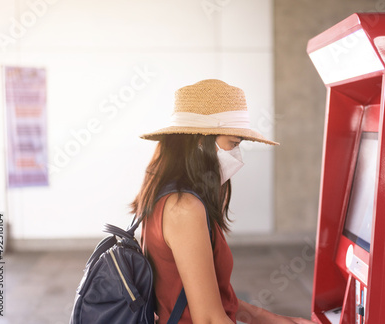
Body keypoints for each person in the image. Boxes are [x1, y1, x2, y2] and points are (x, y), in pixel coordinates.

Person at [131, 79, 315, 323]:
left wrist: (285, 321)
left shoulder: (168, 197)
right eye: (233, 144)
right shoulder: (184, 208)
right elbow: (208, 318)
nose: (237, 156)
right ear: (200, 141)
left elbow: (215, 300)